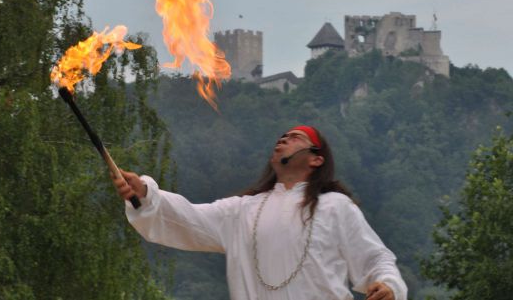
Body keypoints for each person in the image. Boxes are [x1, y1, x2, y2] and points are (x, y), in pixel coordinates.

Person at [113, 125, 407, 300]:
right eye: (281, 136)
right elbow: (187, 219)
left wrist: (390, 286)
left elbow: (375, 259)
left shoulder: (335, 207)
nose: (282, 139)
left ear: (316, 159)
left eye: (294, 137)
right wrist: (147, 194)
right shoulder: (243, 211)